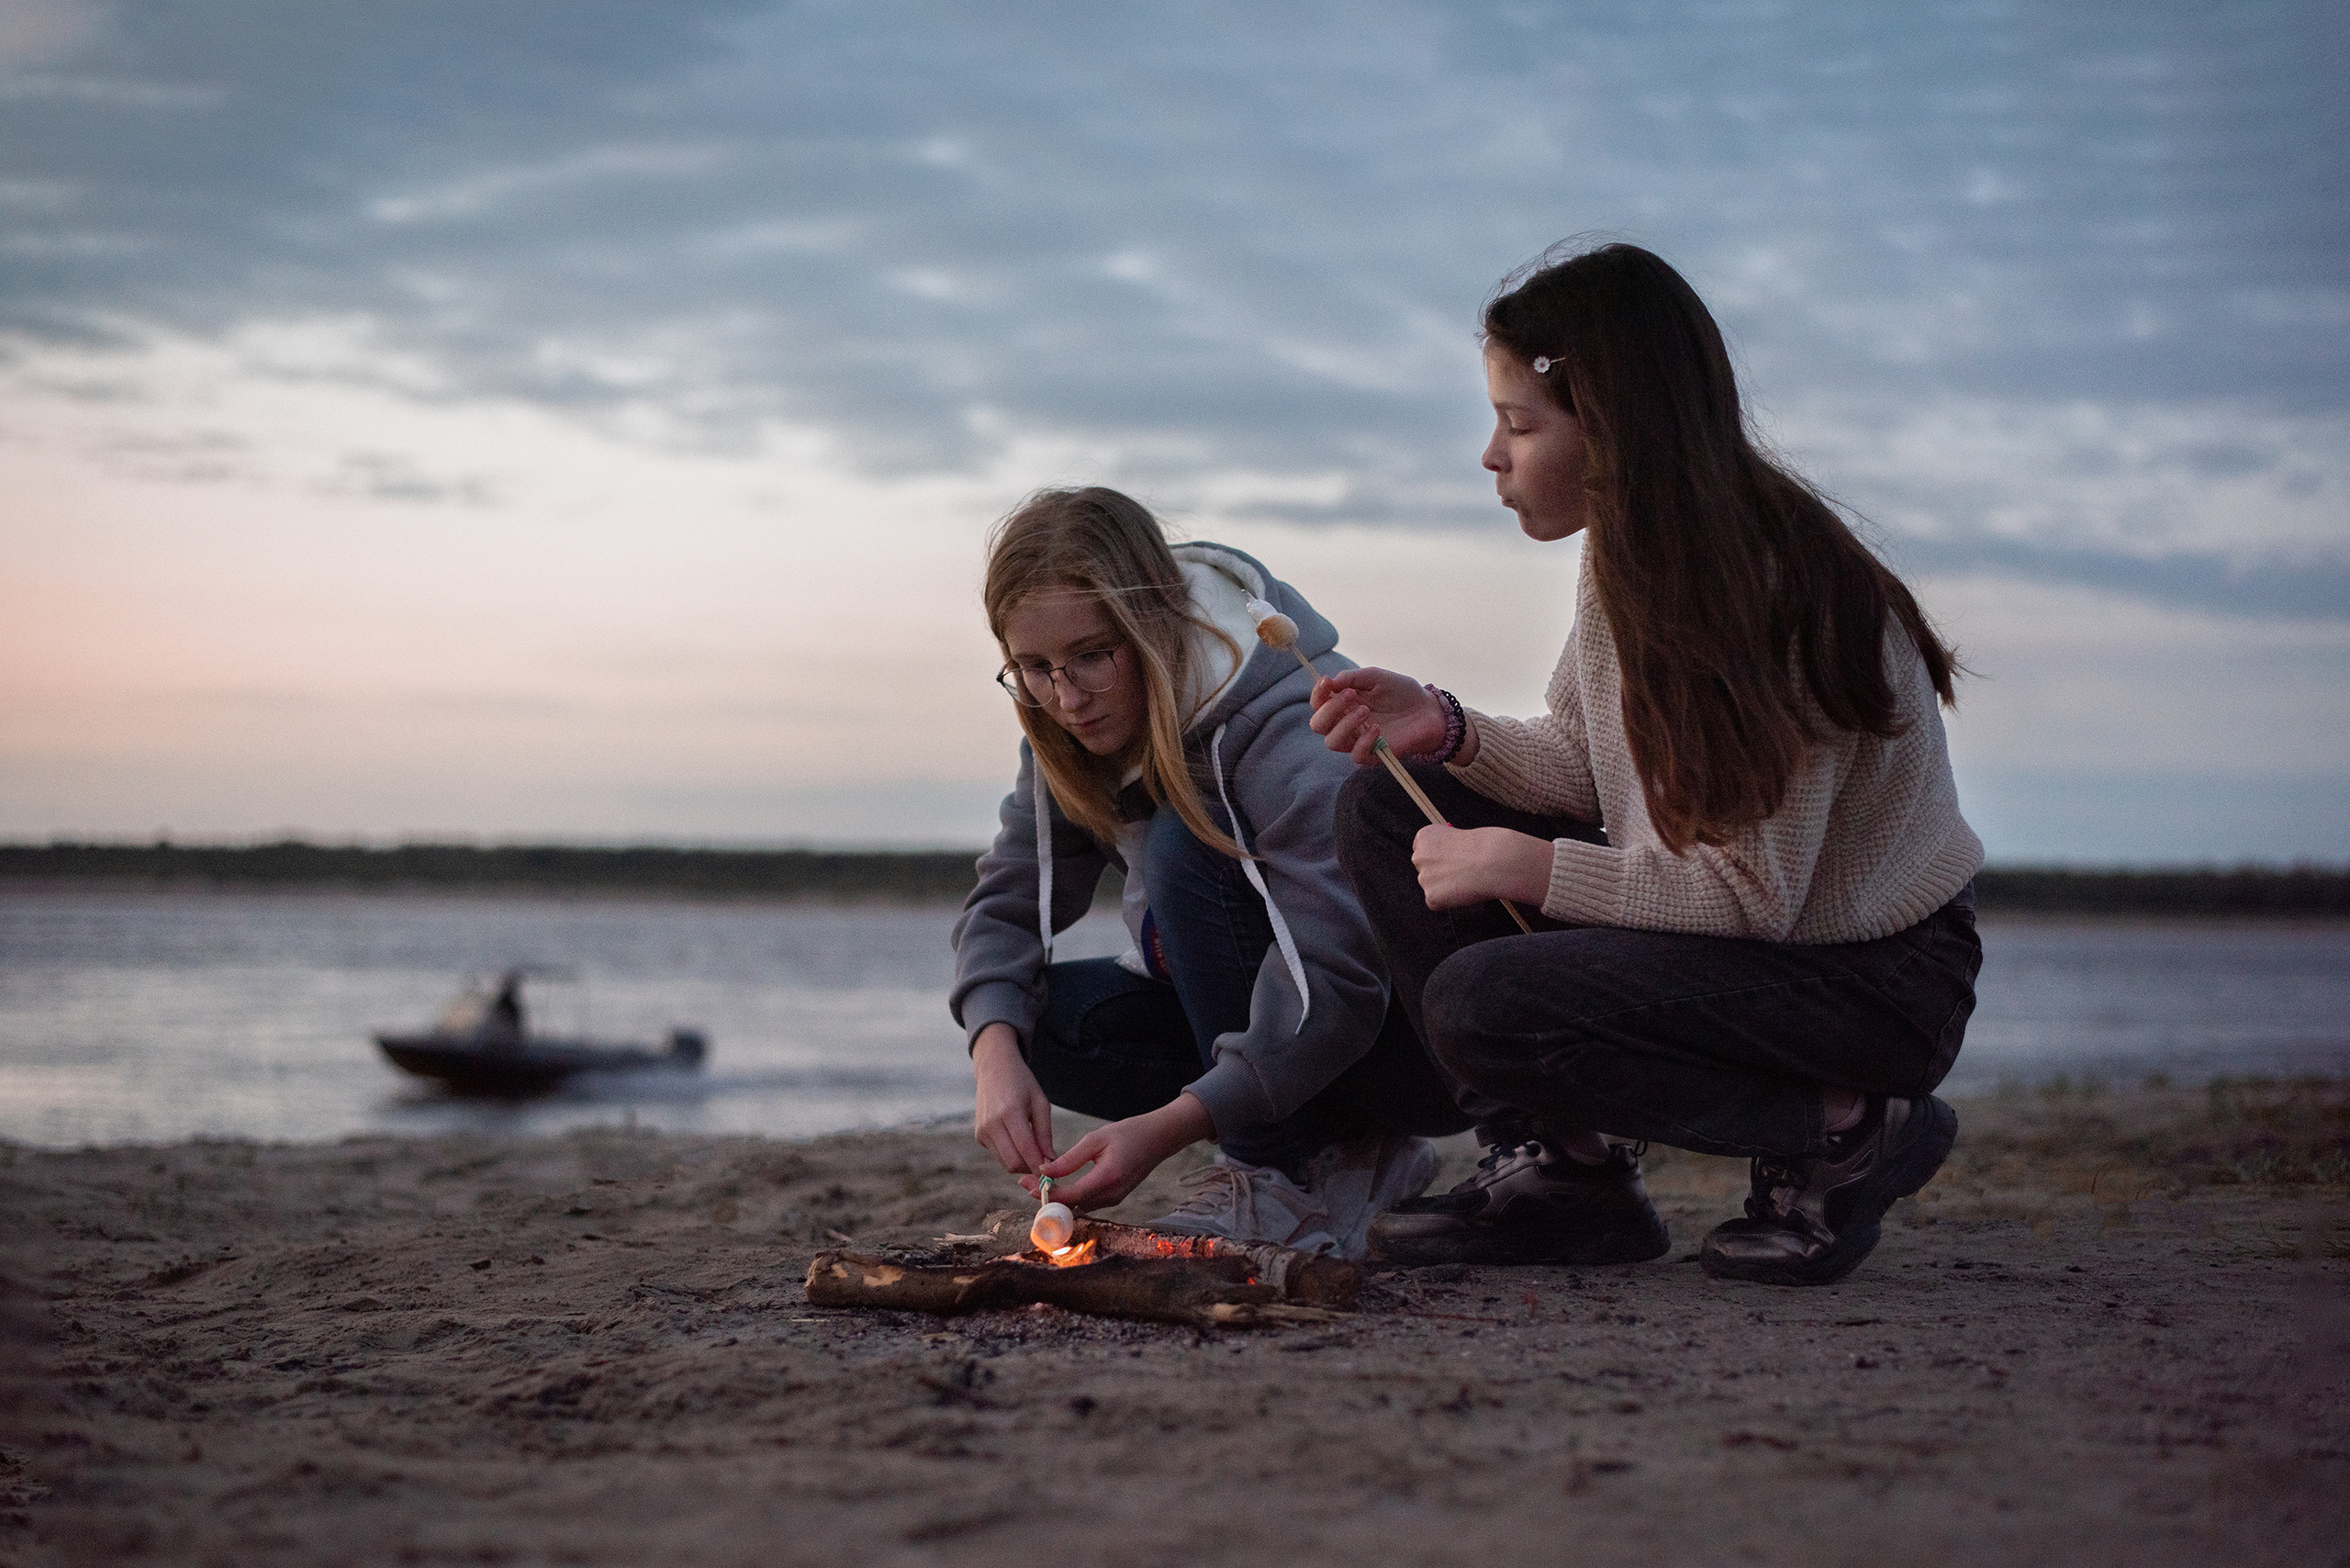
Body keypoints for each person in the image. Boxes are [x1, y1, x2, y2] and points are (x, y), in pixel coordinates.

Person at [1310, 243, 1984, 1285]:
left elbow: (1752, 894)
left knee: (1484, 1002)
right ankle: (1564, 1177)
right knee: (1386, 807)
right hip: (1764, 944)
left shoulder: (1768, 592)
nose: (1491, 456)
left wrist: (1528, 870)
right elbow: (1588, 770)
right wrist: (1446, 729)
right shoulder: (1630, 556)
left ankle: (1848, 1126)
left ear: (1615, 428)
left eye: (1519, 424)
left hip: (1871, 978)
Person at [950, 487, 1469, 1257]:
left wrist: (1168, 1129)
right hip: (1289, 1021)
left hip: (1414, 1042)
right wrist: (992, 1053)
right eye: (1034, 667)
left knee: (1182, 842)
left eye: (1092, 656)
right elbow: (1007, 902)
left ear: (1152, 625)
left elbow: (1341, 973)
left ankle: (1273, 1174)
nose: (1066, 697)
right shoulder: (1066, 726)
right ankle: (1356, 1155)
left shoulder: (1287, 719)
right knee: (1046, 1025)